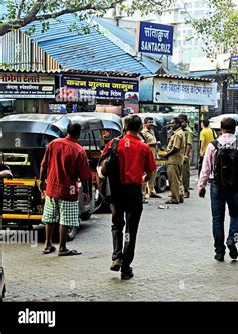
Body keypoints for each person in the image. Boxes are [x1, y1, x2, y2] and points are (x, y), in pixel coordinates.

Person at [100, 115, 156, 280]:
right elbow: (151, 171)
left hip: (116, 191)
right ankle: (126, 267)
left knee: (117, 224)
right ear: (140, 129)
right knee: (131, 229)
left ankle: (117, 256)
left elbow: (102, 166)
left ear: (124, 128)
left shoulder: (113, 144)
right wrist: (143, 180)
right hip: (133, 192)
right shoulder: (144, 147)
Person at [198, 117, 238, 262]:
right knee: (236, 215)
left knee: (217, 219)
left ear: (221, 129)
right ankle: (232, 239)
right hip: (235, 187)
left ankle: (219, 252)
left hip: (217, 186)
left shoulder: (213, 146)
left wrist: (201, 186)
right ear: (235, 129)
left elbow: (206, 168)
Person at [39, 122, 91, 256]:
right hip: (69, 190)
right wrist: (86, 191)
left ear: (66, 131)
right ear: (79, 133)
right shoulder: (79, 150)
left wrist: (42, 181)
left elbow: (43, 165)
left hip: (51, 186)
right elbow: (84, 175)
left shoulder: (53, 143)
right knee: (65, 219)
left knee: (50, 218)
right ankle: (62, 248)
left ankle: (47, 244)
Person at [164, 117, 185, 204]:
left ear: (177, 124)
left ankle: (175, 198)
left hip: (174, 160)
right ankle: (179, 196)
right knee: (177, 179)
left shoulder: (177, 134)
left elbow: (175, 148)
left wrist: (167, 154)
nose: (171, 125)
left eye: (173, 123)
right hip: (177, 160)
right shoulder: (179, 133)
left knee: (173, 180)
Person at [141, 117, 161, 199]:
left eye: (152, 122)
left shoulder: (152, 131)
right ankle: (144, 192)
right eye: (149, 122)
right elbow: (142, 145)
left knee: (153, 174)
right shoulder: (143, 133)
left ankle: (151, 191)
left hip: (154, 155)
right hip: (147, 156)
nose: (151, 124)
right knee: (146, 173)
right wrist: (154, 143)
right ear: (145, 123)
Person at [179, 114, 193, 198]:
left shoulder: (188, 131)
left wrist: (186, 156)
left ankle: (186, 191)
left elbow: (189, 145)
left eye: (182, 122)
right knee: (179, 174)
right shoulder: (180, 130)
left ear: (186, 122)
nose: (181, 123)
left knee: (185, 174)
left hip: (184, 155)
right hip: (179, 155)